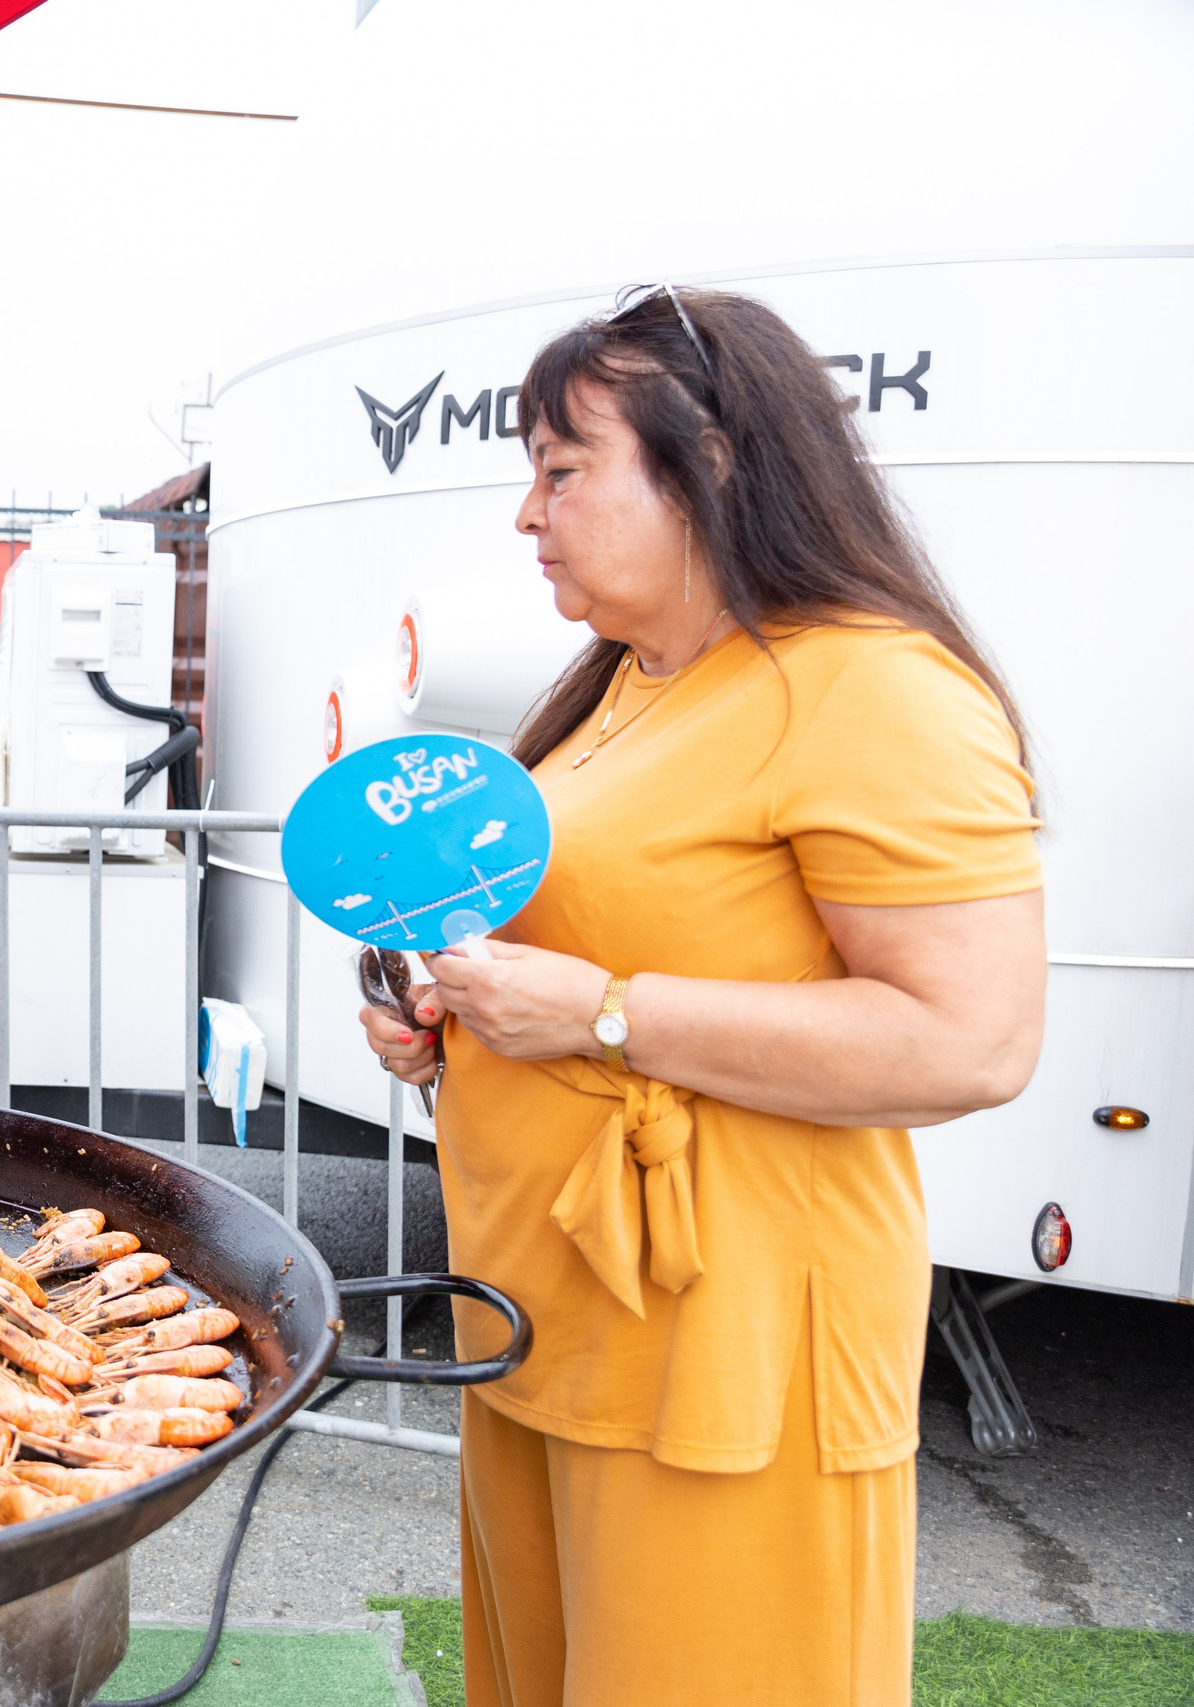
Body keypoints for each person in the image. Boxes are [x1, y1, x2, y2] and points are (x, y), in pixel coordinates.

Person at [357, 288, 1045, 1707]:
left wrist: (600, 1011)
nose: (526, 513)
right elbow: (621, 952)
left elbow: (970, 1038)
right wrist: (464, 1027)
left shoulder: (871, 688)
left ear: (713, 462)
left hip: (728, 1356)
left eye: (561, 468)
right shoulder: (625, 683)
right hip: (550, 1325)